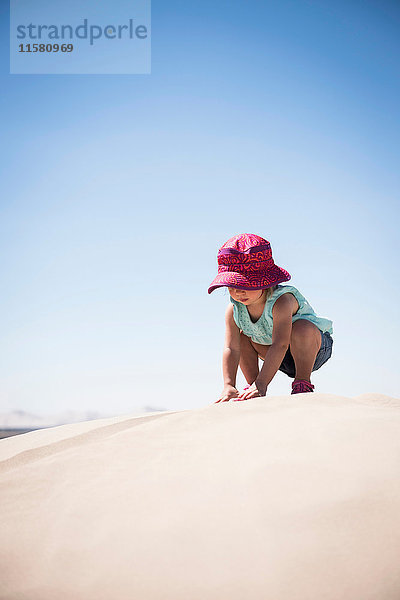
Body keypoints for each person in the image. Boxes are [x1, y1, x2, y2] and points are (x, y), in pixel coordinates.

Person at [208, 233, 333, 402]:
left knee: (301, 328)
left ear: (264, 281)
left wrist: (263, 382)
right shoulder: (234, 309)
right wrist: (229, 385)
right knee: (242, 335)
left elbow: (280, 344)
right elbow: (231, 348)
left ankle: (302, 382)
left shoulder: (281, 301)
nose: (238, 291)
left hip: (312, 349)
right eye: (232, 286)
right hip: (274, 355)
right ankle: (252, 387)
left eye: (245, 284)